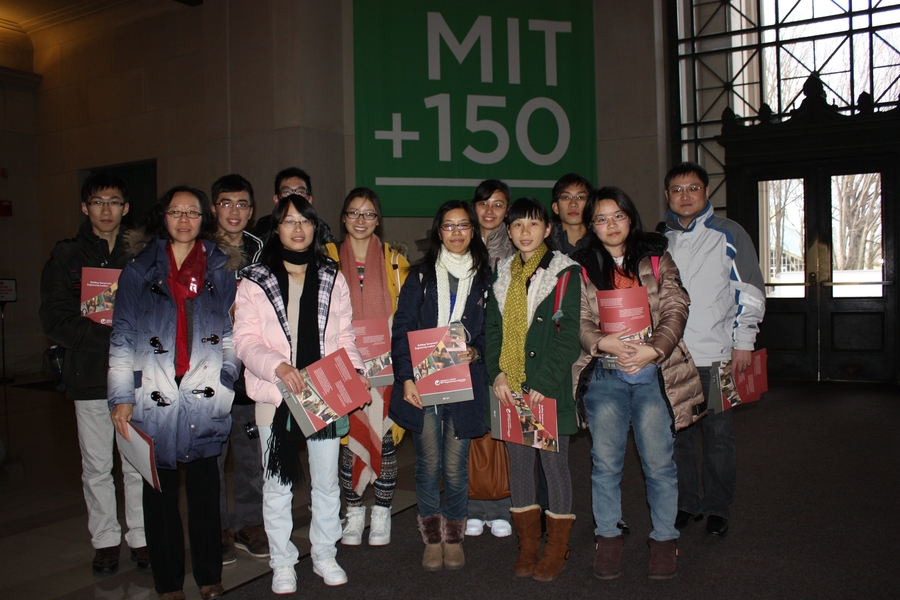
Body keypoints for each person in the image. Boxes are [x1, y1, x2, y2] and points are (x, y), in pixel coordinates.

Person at [108, 186, 240, 600]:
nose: (184, 220)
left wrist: (227, 380)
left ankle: (208, 577)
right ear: (162, 217)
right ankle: (167, 583)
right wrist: (121, 396)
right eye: (176, 212)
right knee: (159, 490)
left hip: (205, 390)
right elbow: (122, 335)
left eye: (193, 213)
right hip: (153, 392)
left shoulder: (220, 268)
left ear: (204, 219)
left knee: (204, 487)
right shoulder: (138, 269)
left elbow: (234, 334)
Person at [233, 194, 369, 594]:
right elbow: (244, 340)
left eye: (305, 221)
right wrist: (277, 366)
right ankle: (282, 561)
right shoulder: (255, 278)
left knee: (326, 483)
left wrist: (355, 370)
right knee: (277, 485)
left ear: (315, 228)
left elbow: (345, 333)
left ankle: (325, 554)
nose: (297, 229)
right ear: (276, 228)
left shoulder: (332, 275)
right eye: (289, 221)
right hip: (276, 395)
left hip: (323, 393)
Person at [573, 186, 704, 580]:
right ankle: (608, 537)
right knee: (605, 465)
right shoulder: (580, 266)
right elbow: (578, 317)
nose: (610, 225)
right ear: (591, 225)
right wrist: (600, 341)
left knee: (660, 464)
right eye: (601, 218)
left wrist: (655, 350)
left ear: (630, 218)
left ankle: (664, 539)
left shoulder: (656, 257)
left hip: (653, 375)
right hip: (606, 377)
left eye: (617, 216)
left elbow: (677, 304)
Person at [39, 172, 148, 576]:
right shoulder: (67, 256)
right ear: (85, 208)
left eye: (114, 202)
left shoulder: (141, 254)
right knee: (97, 465)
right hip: (88, 376)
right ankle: (105, 540)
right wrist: (112, 339)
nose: (107, 210)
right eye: (98, 202)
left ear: (125, 208)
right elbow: (54, 318)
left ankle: (140, 537)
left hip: (134, 377)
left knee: (136, 463)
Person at [663, 162, 766, 537]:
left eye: (693, 188)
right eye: (677, 189)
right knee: (679, 438)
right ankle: (687, 502)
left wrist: (743, 344)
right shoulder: (661, 239)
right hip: (672, 359)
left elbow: (751, 292)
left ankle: (719, 506)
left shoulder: (729, 233)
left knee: (719, 438)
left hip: (719, 355)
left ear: (706, 192)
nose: (685, 196)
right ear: (667, 195)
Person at [388, 200, 491, 571]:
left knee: (455, 466)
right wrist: (406, 378)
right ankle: (432, 537)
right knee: (428, 463)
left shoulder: (485, 279)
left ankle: (454, 536)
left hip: (463, 383)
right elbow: (402, 330)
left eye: (464, 225)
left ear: (473, 230)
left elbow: (488, 335)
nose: (457, 233)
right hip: (424, 383)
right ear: (438, 231)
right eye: (449, 226)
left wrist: (476, 354)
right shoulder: (420, 276)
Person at [485, 197, 582, 582]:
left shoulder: (564, 272)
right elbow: (493, 330)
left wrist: (543, 382)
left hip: (547, 389)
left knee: (555, 469)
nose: (526, 232)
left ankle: (557, 548)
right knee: (521, 469)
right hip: (511, 387)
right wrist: (497, 373)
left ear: (547, 229)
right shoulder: (502, 272)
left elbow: (569, 336)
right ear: (508, 232)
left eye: (534, 224)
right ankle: (527, 546)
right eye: (518, 225)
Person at [325, 187, 409, 547]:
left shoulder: (395, 261)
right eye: (354, 213)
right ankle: (354, 511)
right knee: (347, 442)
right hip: (340, 366)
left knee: (384, 440)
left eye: (369, 214)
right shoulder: (325, 258)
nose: (361, 221)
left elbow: (406, 317)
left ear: (378, 220)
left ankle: (382, 514)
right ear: (343, 218)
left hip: (383, 365)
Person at [209, 174, 269, 565]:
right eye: (227, 203)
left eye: (243, 204)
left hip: (250, 367)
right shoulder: (199, 249)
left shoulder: (262, 250)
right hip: (209, 366)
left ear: (252, 210)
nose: (235, 211)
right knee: (211, 452)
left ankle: (249, 522)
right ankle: (217, 528)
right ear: (214, 208)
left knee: (250, 450)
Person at [466, 179, 515, 539]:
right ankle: (471, 505)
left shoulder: (517, 248)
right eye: (483, 203)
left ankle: (500, 506)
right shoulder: (458, 243)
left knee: (501, 428)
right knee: (467, 428)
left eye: (497, 204)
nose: (489, 211)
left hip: (501, 348)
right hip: (463, 348)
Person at [250, 167, 335, 244]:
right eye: (287, 192)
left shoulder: (322, 230)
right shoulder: (262, 232)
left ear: (309, 200)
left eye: (300, 192)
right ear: (276, 199)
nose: (293, 197)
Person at [550, 173, 594, 256]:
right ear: (556, 207)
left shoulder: (602, 244)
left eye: (580, 197)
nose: (573, 204)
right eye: (566, 197)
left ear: (590, 205)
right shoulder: (542, 246)